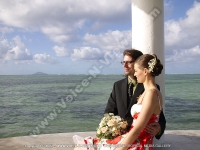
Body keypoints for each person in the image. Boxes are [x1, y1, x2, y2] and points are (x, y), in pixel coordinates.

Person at [104, 49, 166, 139]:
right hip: (119, 135)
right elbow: (109, 112)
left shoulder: (151, 90)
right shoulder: (117, 85)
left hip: (139, 138)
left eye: (129, 62)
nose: (125, 65)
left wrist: (159, 128)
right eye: (123, 62)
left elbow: (159, 115)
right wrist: (111, 129)